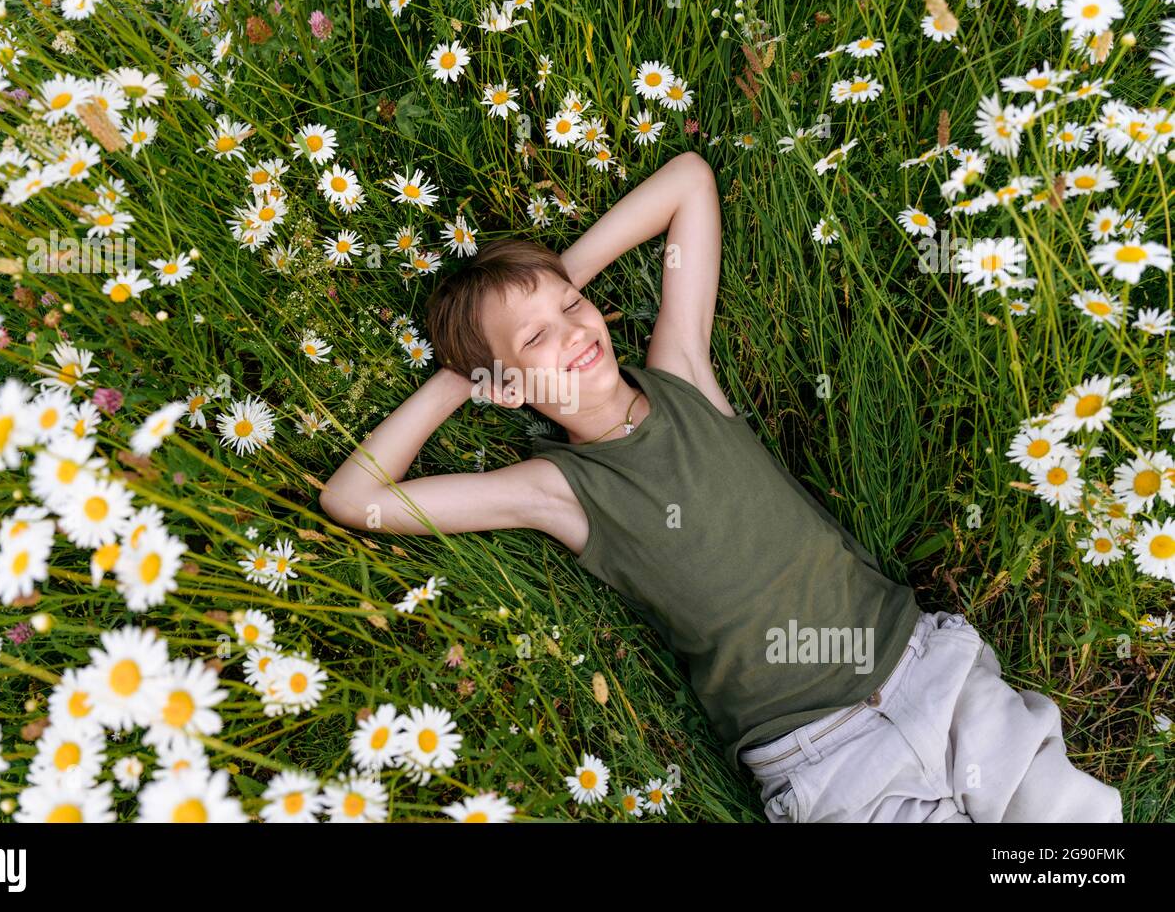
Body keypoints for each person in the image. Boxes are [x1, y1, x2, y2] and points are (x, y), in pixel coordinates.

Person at [319, 151, 1124, 822]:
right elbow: (355, 500)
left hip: (923, 668)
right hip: (826, 758)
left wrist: (550, 282)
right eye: (535, 337)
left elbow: (689, 183)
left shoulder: (682, 373)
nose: (573, 330)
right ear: (501, 382)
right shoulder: (556, 489)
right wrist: (465, 376)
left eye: (574, 305)